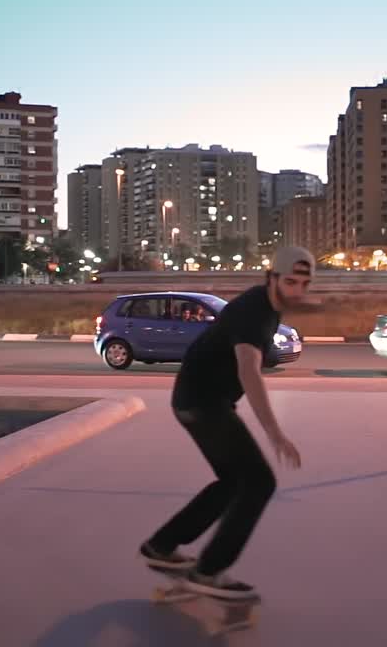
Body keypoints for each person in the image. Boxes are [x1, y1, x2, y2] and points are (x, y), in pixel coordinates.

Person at [139, 245, 317, 600]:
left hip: (197, 400)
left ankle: (162, 544)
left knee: (233, 481)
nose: (297, 290)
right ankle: (209, 571)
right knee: (260, 482)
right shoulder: (256, 312)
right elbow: (249, 371)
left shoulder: (264, 307)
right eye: (290, 281)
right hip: (205, 403)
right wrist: (275, 434)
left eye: (304, 283)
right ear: (273, 278)